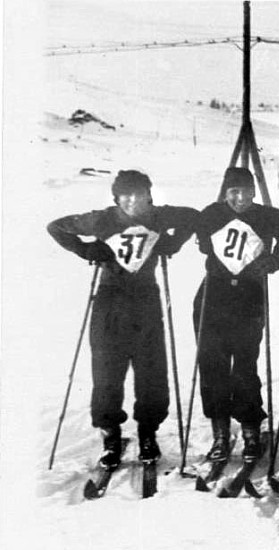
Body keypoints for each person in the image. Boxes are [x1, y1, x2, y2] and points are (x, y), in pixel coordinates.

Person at [47, 170, 198, 468]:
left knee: (151, 371)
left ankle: (147, 433)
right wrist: (86, 248)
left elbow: (192, 217)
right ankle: (111, 436)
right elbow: (55, 227)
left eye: (139, 194)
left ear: (148, 196)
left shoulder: (157, 216)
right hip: (110, 300)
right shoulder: (103, 219)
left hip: (146, 300)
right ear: (116, 197)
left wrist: (173, 242)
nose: (133, 200)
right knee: (106, 371)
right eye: (126, 194)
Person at [193, 167, 279, 465]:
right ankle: (220, 432)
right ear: (225, 193)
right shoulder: (211, 213)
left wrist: (275, 260)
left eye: (245, 191)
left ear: (254, 191)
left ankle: (250, 428)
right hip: (213, 296)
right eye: (233, 191)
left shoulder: (268, 215)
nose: (239, 197)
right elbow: (194, 231)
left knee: (245, 366)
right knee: (212, 365)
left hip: (249, 298)